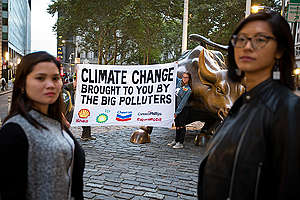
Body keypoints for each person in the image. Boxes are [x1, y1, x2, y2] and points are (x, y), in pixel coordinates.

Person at [197, 11, 300, 200]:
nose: (247, 46)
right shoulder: (241, 105)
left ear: (279, 50)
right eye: (241, 39)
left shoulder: (290, 110)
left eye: (260, 39)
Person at [0, 51, 85, 200]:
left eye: (55, 78)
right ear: (21, 84)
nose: (50, 85)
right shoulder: (14, 130)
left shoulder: (56, 123)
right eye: (40, 78)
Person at [63, 71, 95, 141]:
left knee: (85, 115)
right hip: (65, 114)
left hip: (70, 110)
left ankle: (86, 135)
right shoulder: (62, 90)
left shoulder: (67, 88)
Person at [168, 72, 192, 149]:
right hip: (175, 107)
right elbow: (173, 76)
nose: (184, 79)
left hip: (183, 109)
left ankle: (180, 142)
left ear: (189, 79)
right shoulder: (178, 83)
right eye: (183, 77)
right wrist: (175, 65)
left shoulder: (188, 90)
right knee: (177, 125)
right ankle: (176, 140)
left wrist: (177, 112)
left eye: (186, 77)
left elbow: (183, 103)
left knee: (181, 125)